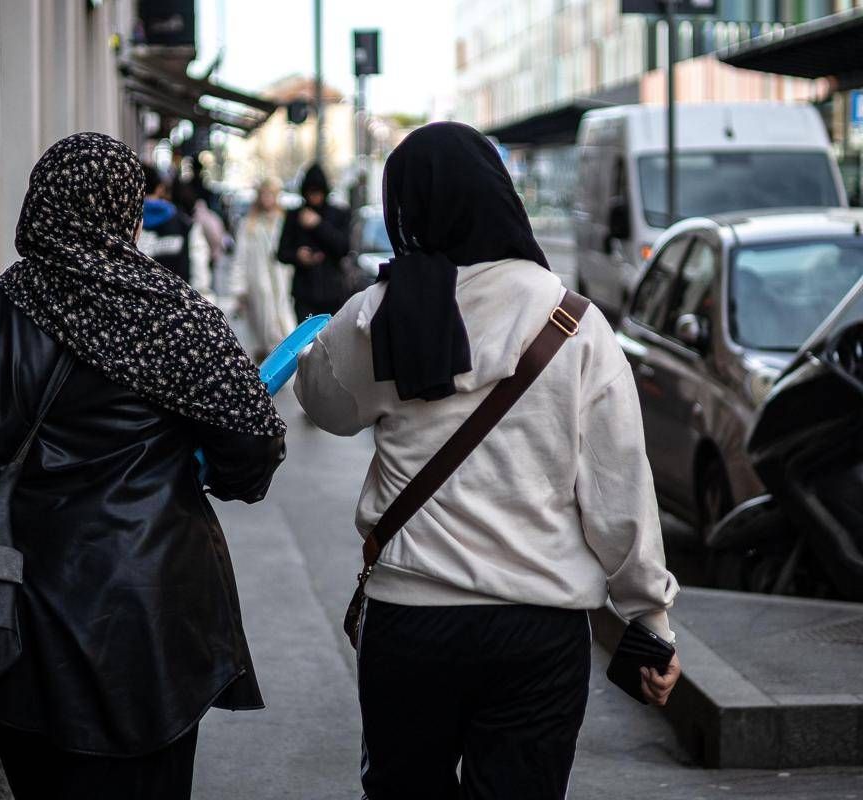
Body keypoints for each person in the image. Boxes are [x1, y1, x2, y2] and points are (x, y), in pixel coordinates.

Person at [0, 132, 286, 800]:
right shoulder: (175, 316)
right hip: (157, 626)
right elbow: (254, 450)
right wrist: (203, 468)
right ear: (126, 214)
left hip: (18, 629)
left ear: (39, 207)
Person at [293, 122, 680, 800]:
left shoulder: (378, 315)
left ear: (403, 209)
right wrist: (649, 617)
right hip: (540, 628)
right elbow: (620, 491)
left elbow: (323, 404)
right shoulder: (576, 323)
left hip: (411, 619)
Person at [230, 178, 296, 360]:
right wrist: (239, 289)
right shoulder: (248, 224)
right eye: (264, 194)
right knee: (262, 332)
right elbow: (240, 258)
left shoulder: (284, 221)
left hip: (282, 283)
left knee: (284, 326)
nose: (267, 199)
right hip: (258, 285)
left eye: (271, 194)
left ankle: (282, 366)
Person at [277, 163, 351, 321]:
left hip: (332, 292)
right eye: (311, 192)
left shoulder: (338, 214)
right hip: (305, 294)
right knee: (307, 343)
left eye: (318, 192)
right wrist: (298, 255)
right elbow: (281, 252)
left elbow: (343, 248)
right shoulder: (295, 216)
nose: (315, 197)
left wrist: (318, 225)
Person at [138, 163, 213, 299]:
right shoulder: (185, 224)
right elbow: (200, 273)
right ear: (160, 189)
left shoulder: (124, 226)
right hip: (177, 308)